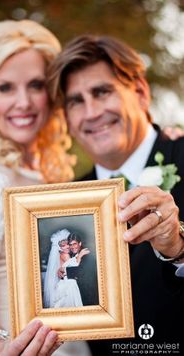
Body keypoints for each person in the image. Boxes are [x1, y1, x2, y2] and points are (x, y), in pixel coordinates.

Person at [0, 20, 91, 356]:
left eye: (36, 85)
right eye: (5, 88)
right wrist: (4, 348)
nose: (23, 102)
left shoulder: (52, 173)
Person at [49, 35, 184, 354]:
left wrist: (179, 248)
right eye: (76, 101)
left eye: (102, 92)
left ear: (139, 92)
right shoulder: (66, 202)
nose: (92, 112)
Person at [44, 228, 88, 308]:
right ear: (59, 248)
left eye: (68, 244)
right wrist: (80, 256)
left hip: (66, 283)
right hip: (68, 284)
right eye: (63, 246)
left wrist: (62, 269)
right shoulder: (65, 255)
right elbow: (75, 265)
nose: (67, 247)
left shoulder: (65, 255)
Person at [59, 232, 99, 306]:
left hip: (87, 292)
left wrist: (64, 270)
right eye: (70, 245)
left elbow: (82, 271)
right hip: (76, 290)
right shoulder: (74, 254)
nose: (72, 247)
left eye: (75, 244)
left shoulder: (86, 253)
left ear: (80, 243)